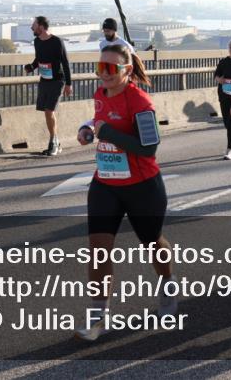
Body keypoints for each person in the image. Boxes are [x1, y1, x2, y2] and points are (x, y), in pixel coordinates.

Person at [74, 44, 175, 341]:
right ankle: (97, 318)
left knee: (153, 244)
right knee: (98, 248)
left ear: (127, 70)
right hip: (106, 182)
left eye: (110, 68)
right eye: (99, 67)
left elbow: (149, 147)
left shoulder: (140, 101)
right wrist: (88, 129)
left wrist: (106, 132)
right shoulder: (100, 94)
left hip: (142, 186)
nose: (102, 74)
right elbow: (100, 120)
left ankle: (168, 289)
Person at [25, 16, 72, 156]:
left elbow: (65, 62)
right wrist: (31, 67)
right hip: (44, 79)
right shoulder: (37, 41)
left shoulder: (57, 41)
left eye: (33, 24)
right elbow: (39, 58)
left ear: (41, 26)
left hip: (57, 81)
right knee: (46, 111)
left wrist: (69, 84)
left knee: (49, 110)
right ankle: (55, 142)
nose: (31, 27)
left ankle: (53, 142)